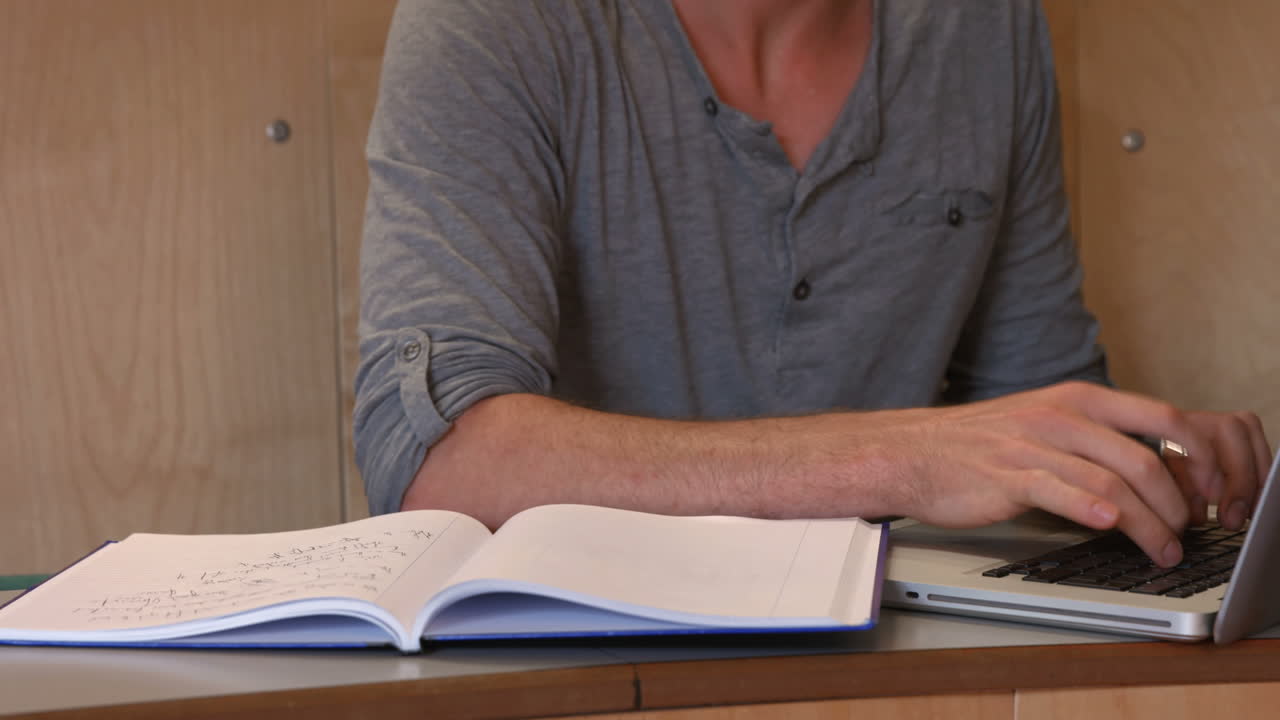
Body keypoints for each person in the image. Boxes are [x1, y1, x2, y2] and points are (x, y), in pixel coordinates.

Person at [354, 0, 1271, 568]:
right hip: (583, 667)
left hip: (890, 665)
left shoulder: (988, 26)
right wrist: (908, 460)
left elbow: (1029, 408)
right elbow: (442, 463)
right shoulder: (494, 21)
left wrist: (1145, 464)